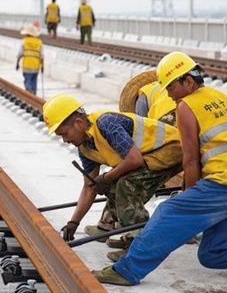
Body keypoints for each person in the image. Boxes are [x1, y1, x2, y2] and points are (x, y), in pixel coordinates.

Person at [92, 52, 227, 285]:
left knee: (167, 213)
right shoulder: (225, 99)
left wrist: (188, 196)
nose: (168, 93)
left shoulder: (186, 106)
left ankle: (127, 271)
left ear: (188, 81)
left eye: (171, 87)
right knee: (214, 253)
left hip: (225, 184)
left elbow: (190, 159)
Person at [42, 94, 183, 261]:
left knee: (125, 183)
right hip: (149, 155)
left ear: (79, 124)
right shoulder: (85, 148)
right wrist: (74, 222)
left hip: (171, 148)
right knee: (114, 179)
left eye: (64, 133)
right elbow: (89, 187)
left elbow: (134, 160)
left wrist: (107, 177)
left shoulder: (105, 124)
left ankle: (139, 245)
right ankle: (108, 224)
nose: (65, 140)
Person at [16, 25, 43, 94]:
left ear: (27, 34)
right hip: (36, 66)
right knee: (34, 81)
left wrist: (17, 63)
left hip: (27, 65)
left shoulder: (24, 41)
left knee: (27, 81)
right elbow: (42, 55)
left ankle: (29, 94)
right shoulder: (39, 42)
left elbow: (20, 53)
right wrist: (42, 66)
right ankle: (33, 95)